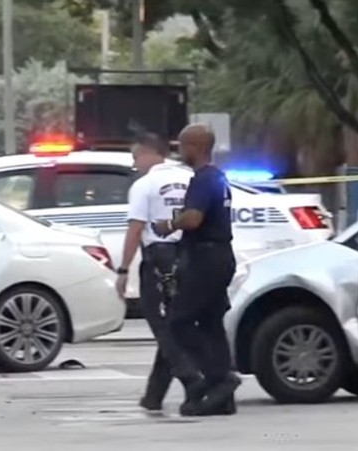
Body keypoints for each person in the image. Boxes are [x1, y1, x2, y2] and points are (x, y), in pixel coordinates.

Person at [153, 123, 240, 417]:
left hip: (206, 259)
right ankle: (222, 397)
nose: (180, 151)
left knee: (179, 321)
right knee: (211, 323)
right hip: (219, 257)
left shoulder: (204, 180)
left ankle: (220, 378)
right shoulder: (217, 178)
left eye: (182, 146)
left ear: (196, 147)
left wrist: (168, 225)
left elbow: (193, 219)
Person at [115, 133, 198, 412]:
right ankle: (154, 396)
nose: (135, 163)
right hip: (190, 256)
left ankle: (191, 379)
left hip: (159, 259)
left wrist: (124, 269)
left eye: (136, 157)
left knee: (161, 324)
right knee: (174, 324)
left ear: (150, 154)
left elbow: (136, 228)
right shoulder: (190, 178)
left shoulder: (145, 184)